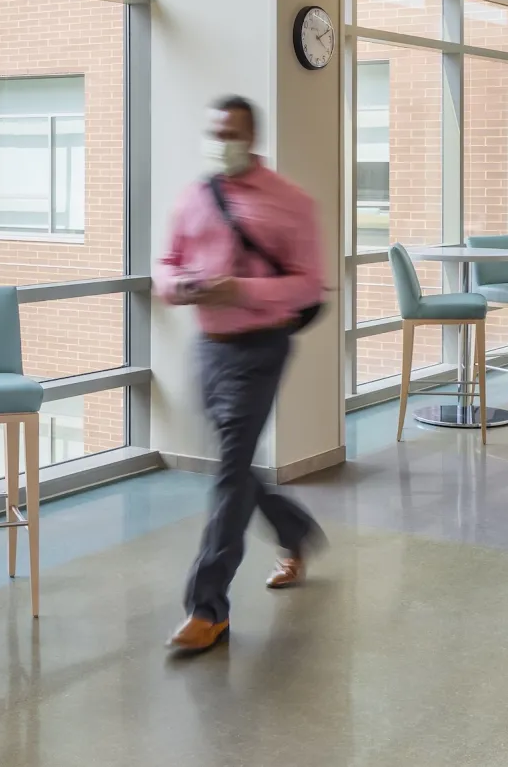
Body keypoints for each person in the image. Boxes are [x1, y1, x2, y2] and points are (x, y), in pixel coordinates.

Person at [154, 95, 325, 655]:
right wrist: (177, 286)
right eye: (214, 131)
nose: (220, 141)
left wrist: (241, 290)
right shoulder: (196, 196)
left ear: (251, 138)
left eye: (230, 133)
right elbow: (168, 261)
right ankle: (295, 531)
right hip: (209, 345)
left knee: (229, 469)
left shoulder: (291, 203)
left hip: (262, 347)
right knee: (236, 466)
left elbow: (307, 285)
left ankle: (208, 608)